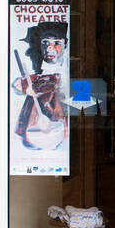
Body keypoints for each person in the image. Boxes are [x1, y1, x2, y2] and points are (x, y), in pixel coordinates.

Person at [12, 20, 69, 151]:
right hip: (35, 123)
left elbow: (55, 82)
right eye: (45, 42)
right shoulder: (39, 74)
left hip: (54, 115)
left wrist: (36, 88)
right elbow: (18, 85)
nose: (50, 47)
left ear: (64, 45)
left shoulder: (60, 73)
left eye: (56, 43)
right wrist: (22, 86)